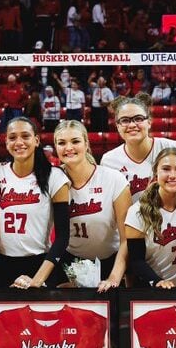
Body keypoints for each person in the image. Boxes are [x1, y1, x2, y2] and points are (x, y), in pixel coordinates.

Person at [0, 117, 70, 288]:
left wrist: (38, 280)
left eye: (25, 136)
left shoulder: (54, 176)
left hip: (40, 263)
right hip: (2, 263)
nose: (19, 142)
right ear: (6, 142)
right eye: (12, 137)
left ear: (37, 140)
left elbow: (62, 237)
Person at [53, 120, 130, 292]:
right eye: (62, 143)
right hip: (70, 262)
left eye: (75, 141)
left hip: (111, 261)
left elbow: (127, 239)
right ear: (55, 147)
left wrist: (113, 278)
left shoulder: (113, 179)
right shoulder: (54, 181)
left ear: (86, 144)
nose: (68, 148)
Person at [100, 93, 176, 203]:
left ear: (149, 122)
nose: (132, 125)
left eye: (138, 119)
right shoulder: (108, 161)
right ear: (117, 126)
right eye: (125, 120)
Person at [125, 147, 176, 288]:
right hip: (153, 289)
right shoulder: (137, 211)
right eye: (166, 169)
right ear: (155, 174)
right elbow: (136, 260)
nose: (172, 175)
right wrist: (158, 281)